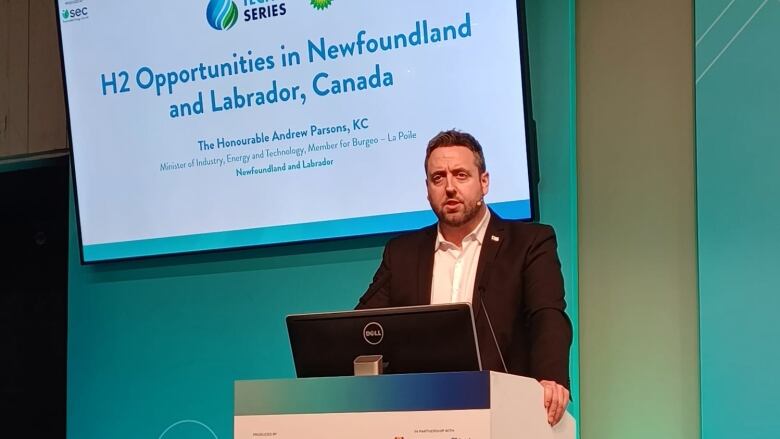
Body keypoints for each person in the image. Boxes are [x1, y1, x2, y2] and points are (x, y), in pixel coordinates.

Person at [356, 130, 572, 425]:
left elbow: (547, 314)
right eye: (438, 178)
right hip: (419, 413)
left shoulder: (529, 242)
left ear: (484, 182)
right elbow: (363, 327)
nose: (449, 188)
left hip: (502, 410)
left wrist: (551, 378)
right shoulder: (402, 253)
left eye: (460, 175)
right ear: (427, 188)